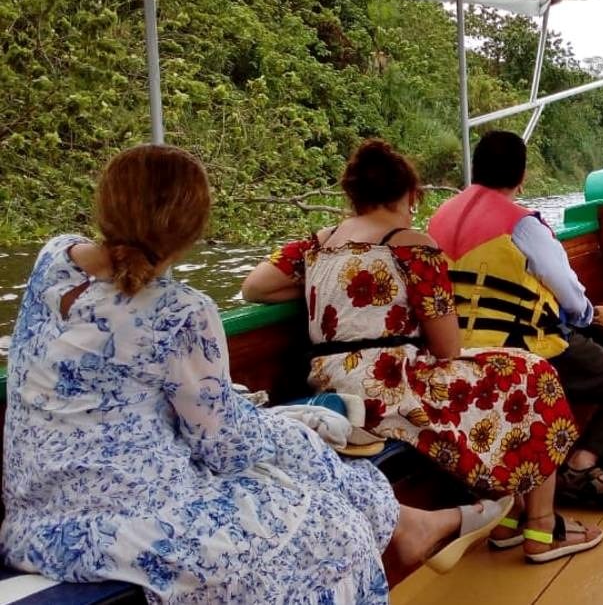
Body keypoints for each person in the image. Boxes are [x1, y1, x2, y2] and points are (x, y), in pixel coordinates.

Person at [0, 145, 509, 603]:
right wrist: (279, 425)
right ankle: (407, 523)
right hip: (117, 516)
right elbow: (226, 450)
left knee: (294, 443)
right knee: (336, 532)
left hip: (33, 506)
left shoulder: (53, 258)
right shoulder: (181, 310)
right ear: (193, 228)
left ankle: (410, 524)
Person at [241, 139, 602, 564]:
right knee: (532, 373)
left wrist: (318, 282)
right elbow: (448, 347)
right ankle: (541, 528)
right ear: (411, 195)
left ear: (352, 195)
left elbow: (254, 286)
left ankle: (509, 518)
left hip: (330, 380)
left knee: (506, 378)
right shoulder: (411, 244)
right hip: (392, 387)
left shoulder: (318, 244)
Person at [427, 131, 603, 513]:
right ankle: (583, 466)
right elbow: (570, 294)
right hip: (522, 349)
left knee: (602, 363)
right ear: (521, 175)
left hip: (454, 346)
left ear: (476, 169)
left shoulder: (439, 218)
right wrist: (587, 316)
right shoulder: (521, 225)